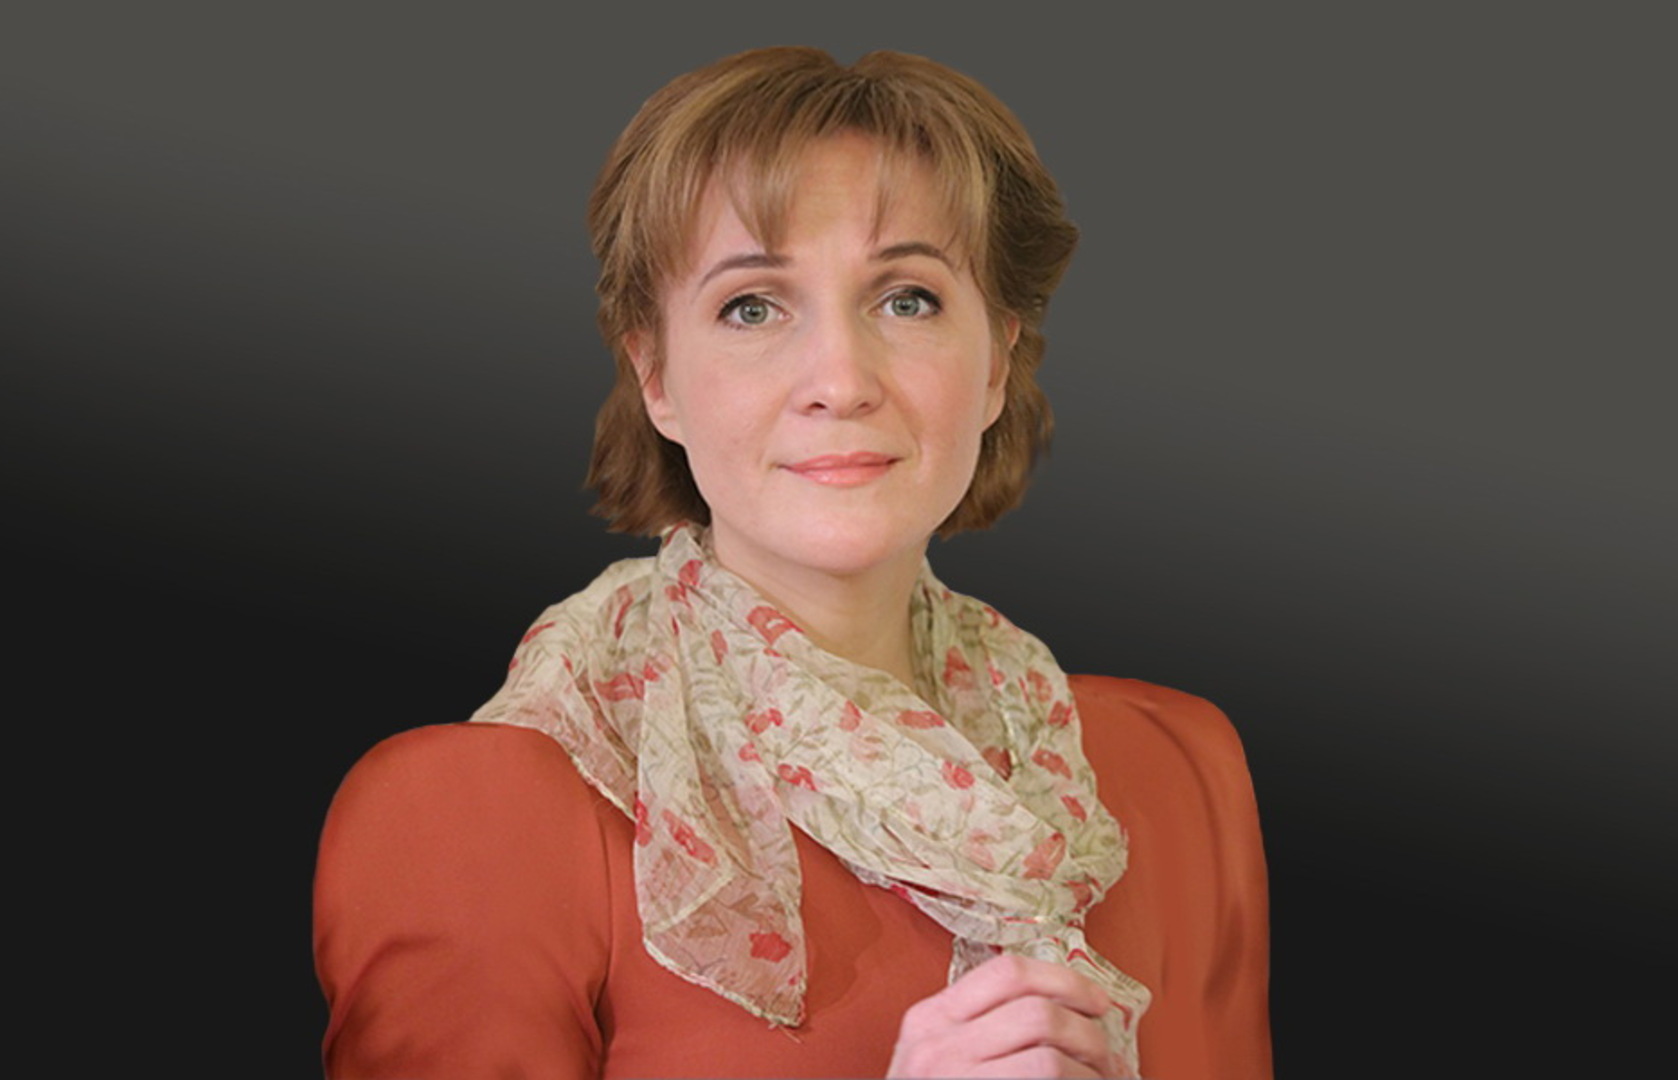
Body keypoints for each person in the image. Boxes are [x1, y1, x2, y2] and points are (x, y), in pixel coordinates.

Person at [314, 45, 1270, 1079]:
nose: (840, 380)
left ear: (997, 360)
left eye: (906, 298)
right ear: (656, 378)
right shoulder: (469, 818)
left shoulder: (1173, 772)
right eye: (753, 307)